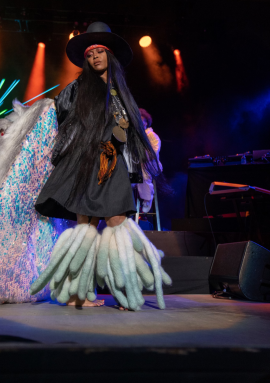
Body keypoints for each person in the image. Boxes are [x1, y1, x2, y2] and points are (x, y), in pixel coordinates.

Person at [30, 22, 171, 310]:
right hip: (86, 163)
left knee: (118, 225)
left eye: (99, 51)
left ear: (110, 55)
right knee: (86, 228)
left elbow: (127, 132)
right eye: (90, 53)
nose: (94, 57)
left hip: (112, 163)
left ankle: (125, 292)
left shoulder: (120, 91)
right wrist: (22, 125)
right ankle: (76, 294)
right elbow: (53, 115)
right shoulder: (79, 87)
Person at [137, 108, 163, 213]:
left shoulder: (152, 136)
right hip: (137, 168)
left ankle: (147, 198)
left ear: (146, 123)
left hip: (152, 167)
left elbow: (152, 154)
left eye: (140, 120)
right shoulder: (135, 138)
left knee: (143, 169)